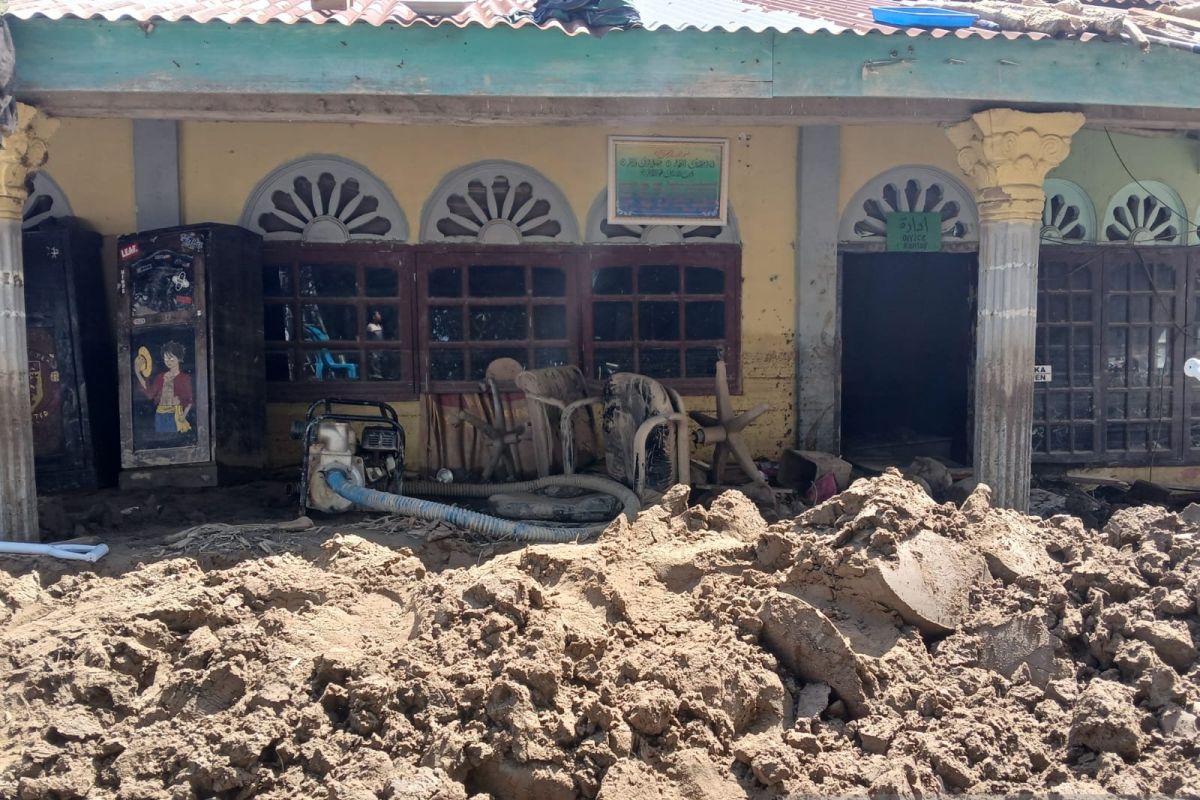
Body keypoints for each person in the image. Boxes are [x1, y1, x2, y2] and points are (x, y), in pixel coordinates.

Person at [137, 341, 193, 434]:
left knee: (175, 440)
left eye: (171, 359)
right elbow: (150, 393)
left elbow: (189, 401)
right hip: (160, 414)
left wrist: (183, 416)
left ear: (179, 358)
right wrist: (138, 373)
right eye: (166, 359)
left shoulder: (184, 378)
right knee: (161, 437)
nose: (168, 362)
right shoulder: (160, 377)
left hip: (175, 415)